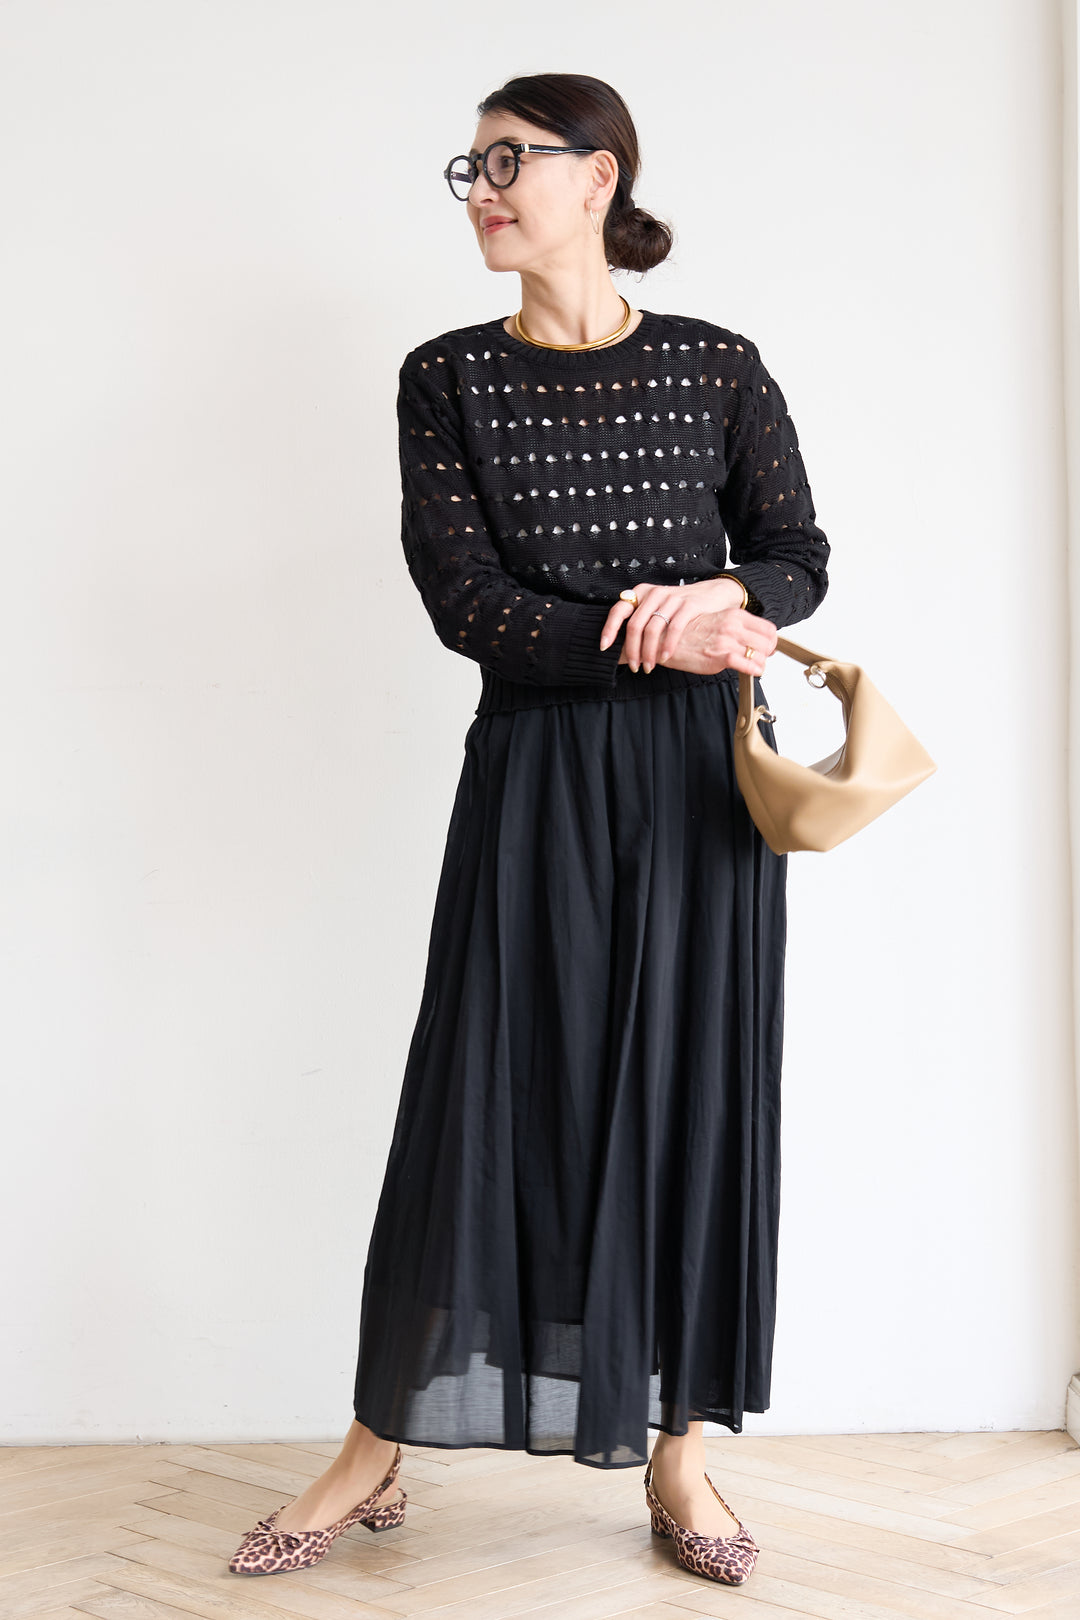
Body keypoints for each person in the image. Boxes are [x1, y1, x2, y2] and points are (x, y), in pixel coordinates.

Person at [228, 70, 829, 1589]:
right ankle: (375, 1446)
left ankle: (679, 1456)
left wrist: (724, 599)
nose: (483, 190)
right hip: (538, 773)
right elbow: (469, 604)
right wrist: (652, 634)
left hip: (703, 789)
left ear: (599, 176)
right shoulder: (448, 379)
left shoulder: (716, 365)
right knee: (485, 1094)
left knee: (689, 1094)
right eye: (472, 168)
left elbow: (796, 554)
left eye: (509, 161)